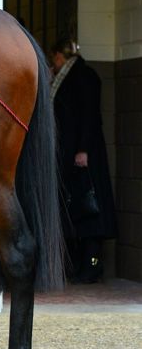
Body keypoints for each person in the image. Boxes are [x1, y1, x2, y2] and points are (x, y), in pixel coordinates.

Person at [48, 37, 118, 284]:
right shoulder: (69, 76)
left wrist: (83, 149)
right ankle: (81, 265)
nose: (53, 63)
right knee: (78, 209)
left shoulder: (83, 76)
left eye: (54, 58)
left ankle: (92, 265)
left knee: (89, 209)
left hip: (82, 157)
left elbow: (89, 115)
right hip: (73, 156)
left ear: (60, 56)